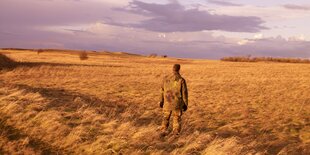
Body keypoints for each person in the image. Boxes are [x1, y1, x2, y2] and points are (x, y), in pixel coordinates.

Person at [159, 64, 188, 136]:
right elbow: (184, 93)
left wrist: (161, 101)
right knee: (176, 118)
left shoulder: (165, 78)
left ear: (172, 69)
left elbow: (162, 91)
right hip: (177, 103)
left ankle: (163, 131)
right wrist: (185, 104)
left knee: (165, 117)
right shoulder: (181, 80)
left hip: (167, 102)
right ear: (179, 69)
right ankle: (175, 133)